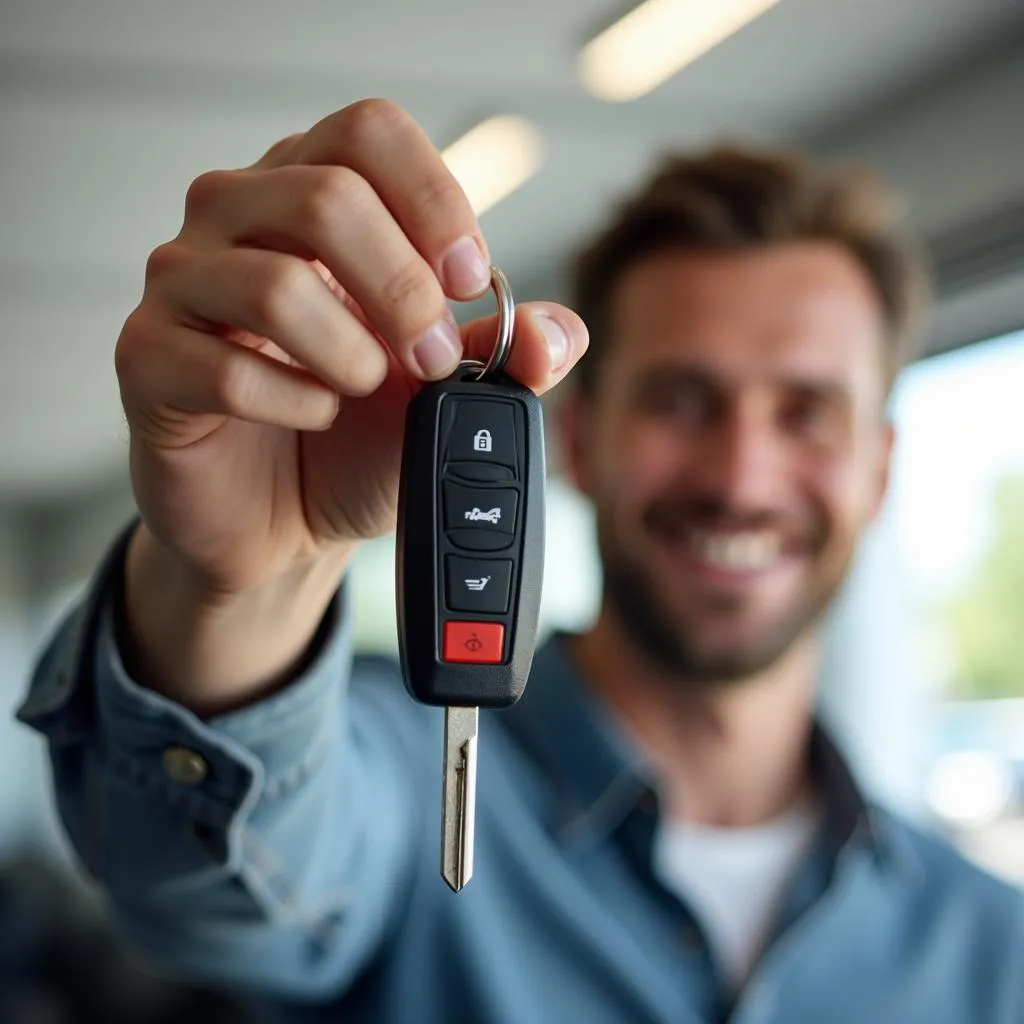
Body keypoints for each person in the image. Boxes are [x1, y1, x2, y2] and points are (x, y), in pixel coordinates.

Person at [17, 99, 1024, 1024]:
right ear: (576, 438)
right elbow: (211, 899)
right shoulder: (389, 779)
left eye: (805, 411)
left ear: (878, 466)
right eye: (681, 399)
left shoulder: (994, 946)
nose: (740, 477)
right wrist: (231, 590)